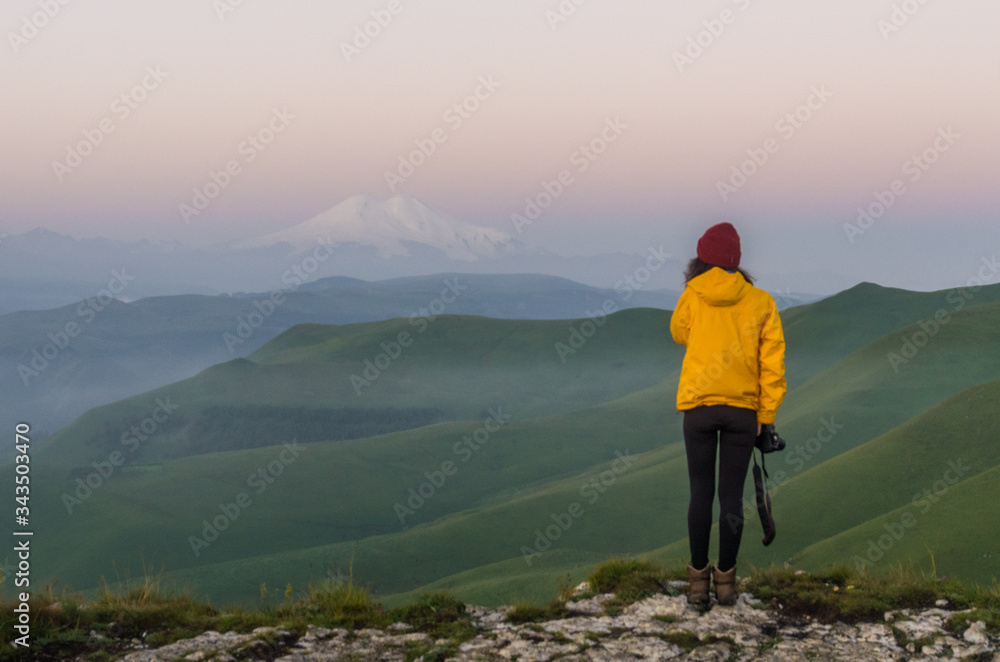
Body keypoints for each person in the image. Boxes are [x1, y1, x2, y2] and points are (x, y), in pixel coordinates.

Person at [669, 222, 786, 607]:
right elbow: (772, 365)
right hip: (742, 413)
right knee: (731, 497)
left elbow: (679, 333)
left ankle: (697, 586)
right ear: (737, 261)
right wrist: (765, 418)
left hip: (699, 408)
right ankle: (727, 585)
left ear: (700, 260)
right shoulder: (761, 301)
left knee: (700, 492)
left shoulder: (692, 294)